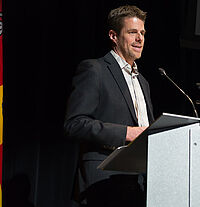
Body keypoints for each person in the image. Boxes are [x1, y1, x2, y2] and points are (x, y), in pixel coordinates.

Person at [64, 5, 154, 207]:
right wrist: (127, 133)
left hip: (137, 182)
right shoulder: (95, 70)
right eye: (132, 32)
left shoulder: (144, 82)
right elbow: (74, 124)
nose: (140, 38)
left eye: (142, 33)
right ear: (114, 36)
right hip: (102, 181)